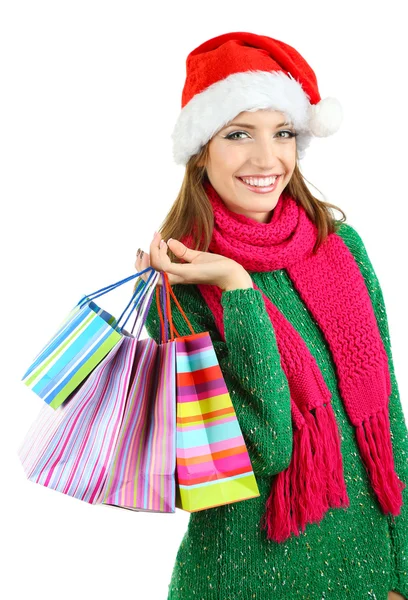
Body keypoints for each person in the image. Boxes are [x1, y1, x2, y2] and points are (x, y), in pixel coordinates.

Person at [134, 32, 408, 600]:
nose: (267, 159)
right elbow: (259, 451)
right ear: (201, 149)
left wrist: (403, 571)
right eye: (238, 134)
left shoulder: (340, 248)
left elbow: (389, 421)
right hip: (241, 580)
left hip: (367, 576)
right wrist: (237, 289)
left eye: (282, 133)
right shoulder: (176, 281)